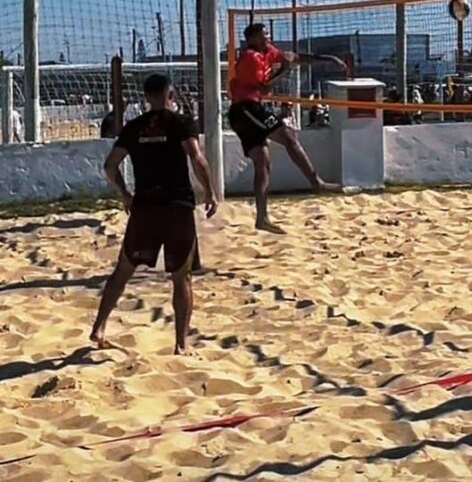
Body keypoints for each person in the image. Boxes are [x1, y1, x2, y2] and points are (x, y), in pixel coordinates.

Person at [90, 73, 217, 354]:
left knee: (123, 270)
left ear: (146, 98)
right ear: (171, 95)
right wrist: (210, 191)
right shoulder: (181, 122)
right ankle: (181, 344)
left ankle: (99, 327)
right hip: (177, 206)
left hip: (145, 206)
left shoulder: (134, 126)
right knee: (181, 277)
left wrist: (125, 193)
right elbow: (196, 158)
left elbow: (110, 166)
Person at [227, 23, 348, 233]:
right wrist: (285, 69)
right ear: (252, 38)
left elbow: (296, 57)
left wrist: (328, 59)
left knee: (263, 163)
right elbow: (265, 87)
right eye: (264, 35)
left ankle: (262, 218)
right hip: (245, 110)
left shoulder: (268, 52)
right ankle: (316, 183)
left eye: (267, 34)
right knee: (289, 137)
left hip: (248, 111)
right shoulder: (250, 57)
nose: (268, 37)